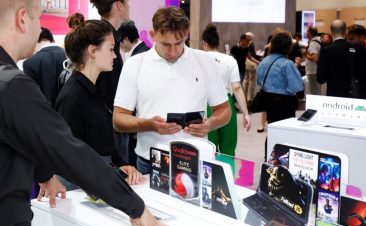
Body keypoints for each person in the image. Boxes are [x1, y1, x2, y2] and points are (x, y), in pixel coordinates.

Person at [0, 1, 180, 226]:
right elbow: (69, 150)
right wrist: (134, 206)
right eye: (39, 18)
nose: (40, 27)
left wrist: (43, 175)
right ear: (22, 19)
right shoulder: (13, 86)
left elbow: (18, 138)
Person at [113, 7, 231, 174]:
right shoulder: (135, 64)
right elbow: (118, 119)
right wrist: (149, 125)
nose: (173, 51)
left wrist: (210, 124)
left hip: (196, 160)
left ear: (187, 34)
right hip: (150, 163)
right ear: (153, 35)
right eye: (166, 44)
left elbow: (224, 110)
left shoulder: (205, 62)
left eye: (179, 43)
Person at [55, 19, 143, 187]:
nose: (115, 55)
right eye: (111, 49)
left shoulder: (94, 90)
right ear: (92, 51)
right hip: (83, 188)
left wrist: (122, 165)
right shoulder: (72, 97)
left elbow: (104, 144)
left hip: (99, 180)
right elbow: (73, 157)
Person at [201, 23, 250, 156]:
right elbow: (237, 88)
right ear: (218, 42)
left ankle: (209, 175)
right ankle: (227, 175)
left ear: (203, 43)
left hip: (205, 103)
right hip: (226, 103)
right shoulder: (229, 60)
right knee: (228, 147)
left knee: (208, 148)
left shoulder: (198, 58)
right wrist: (246, 113)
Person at [90, 0, 130, 163]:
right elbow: (108, 88)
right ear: (118, 5)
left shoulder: (107, 35)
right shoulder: (104, 37)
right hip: (109, 126)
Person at [256, 31, 304, 158]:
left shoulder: (264, 61)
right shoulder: (287, 63)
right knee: (285, 134)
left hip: (268, 101)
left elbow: (258, 81)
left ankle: (269, 160)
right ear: (287, 46)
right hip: (285, 103)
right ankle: (282, 162)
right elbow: (297, 86)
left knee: (272, 132)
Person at [117, 20, 150, 167]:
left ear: (125, 39)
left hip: (140, 125)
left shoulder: (140, 56)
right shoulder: (143, 51)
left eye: (119, 43)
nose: (119, 47)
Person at [317, 20, 366, 98]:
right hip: (354, 93)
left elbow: (320, 78)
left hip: (333, 93)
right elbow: (363, 73)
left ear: (330, 32)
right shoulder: (357, 48)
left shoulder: (326, 50)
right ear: (345, 32)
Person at [23, 27, 66, 105]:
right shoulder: (69, 56)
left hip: (45, 114)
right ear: (51, 39)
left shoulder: (30, 63)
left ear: (34, 40)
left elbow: (31, 97)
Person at [303, 26, 322, 95]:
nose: (306, 33)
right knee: (315, 89)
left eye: (307, 31)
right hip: (315, 70)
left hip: (313, 71)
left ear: (310, 32)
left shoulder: (313, 43)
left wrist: (305, 54)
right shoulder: (317, 41)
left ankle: (316, 105)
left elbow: (315, 58)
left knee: (315, 91)